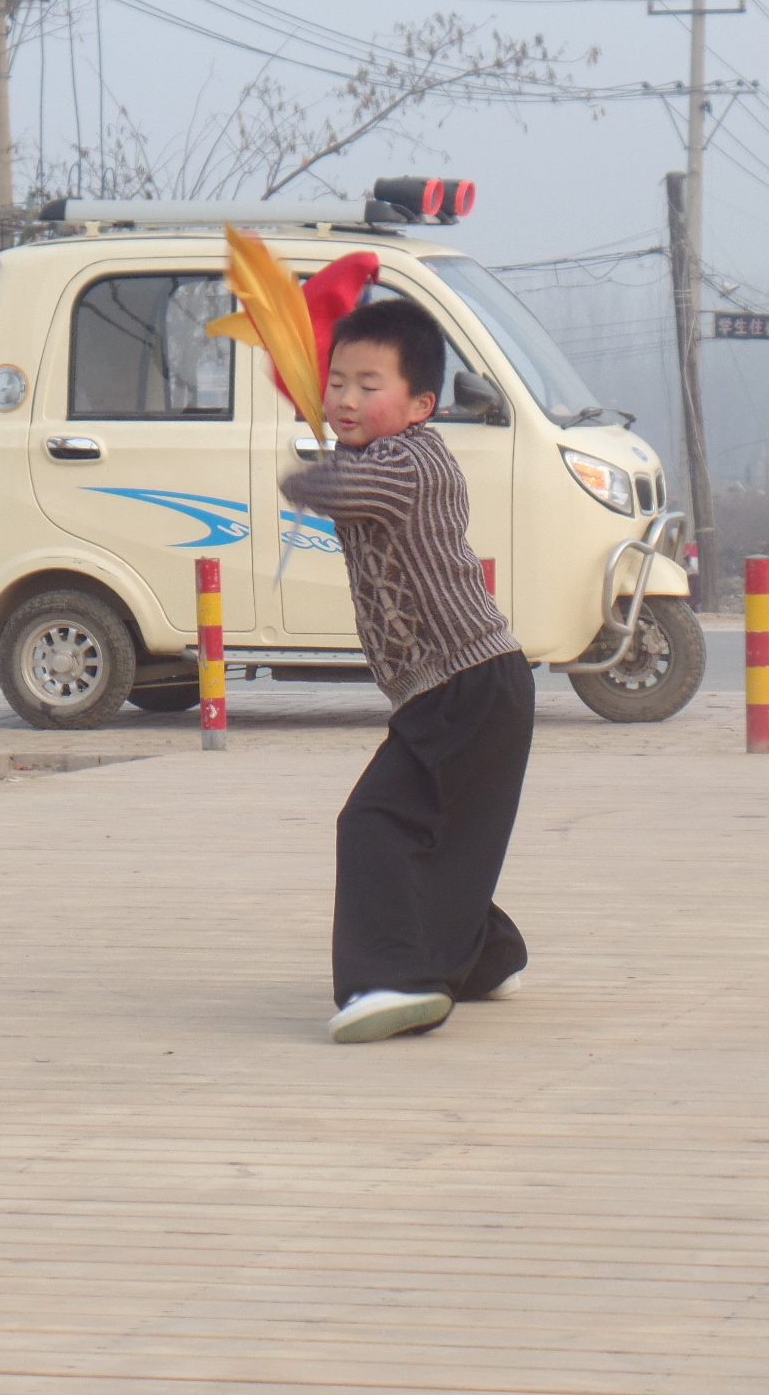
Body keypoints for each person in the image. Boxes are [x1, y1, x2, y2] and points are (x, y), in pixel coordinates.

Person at [281, 298, 533, 1043]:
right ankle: (486, 956)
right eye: (335, 382)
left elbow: (336, 490)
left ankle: (393, 980)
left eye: (369, 384)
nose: (346, 399)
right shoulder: (380, 455)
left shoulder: (408, 461)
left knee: (377, 824)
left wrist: (304, 470)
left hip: (468, 686)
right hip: (467, 688)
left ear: (421, 404)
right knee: (449, 834)